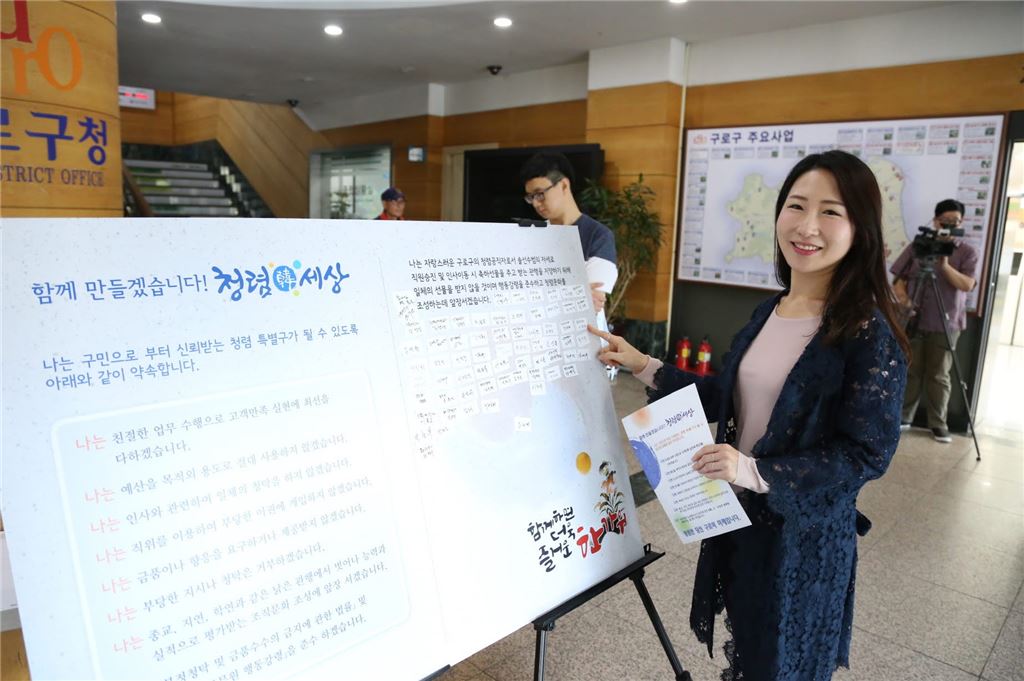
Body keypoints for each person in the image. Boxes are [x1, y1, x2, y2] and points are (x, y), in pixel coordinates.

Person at [590, 150, 909, 681]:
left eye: (831, 212)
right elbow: (728, 397)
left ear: (861, 229)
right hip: (741, 523)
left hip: (803, 542)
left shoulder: (867, 332)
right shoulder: (771, 310)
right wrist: (643, 364)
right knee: (750, 653)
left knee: (783, 665)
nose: (807, 226)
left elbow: (865, 454)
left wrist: (755, 471)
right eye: (796, 205)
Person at [890, 199, 979, 443]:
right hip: (914, 319)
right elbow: (898, 278)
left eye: (954, 222)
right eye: (944, 221)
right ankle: (904, 417)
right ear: (935, 220)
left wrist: (945, 264)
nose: (949, 226)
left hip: (945, 323)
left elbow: (967, 284)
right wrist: (905, 301)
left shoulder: (967, 252)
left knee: (939, 375)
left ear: (961, 223)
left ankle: (938, 424)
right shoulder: (918, 246)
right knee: (912, 370)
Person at [519, 152, 617, 315]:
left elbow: (592, 303)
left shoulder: (599, 236)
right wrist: (574, 294)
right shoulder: (532, 235)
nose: (535, 203)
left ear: (564, 185)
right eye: (531, 197)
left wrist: (541, 295)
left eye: (540, 194)